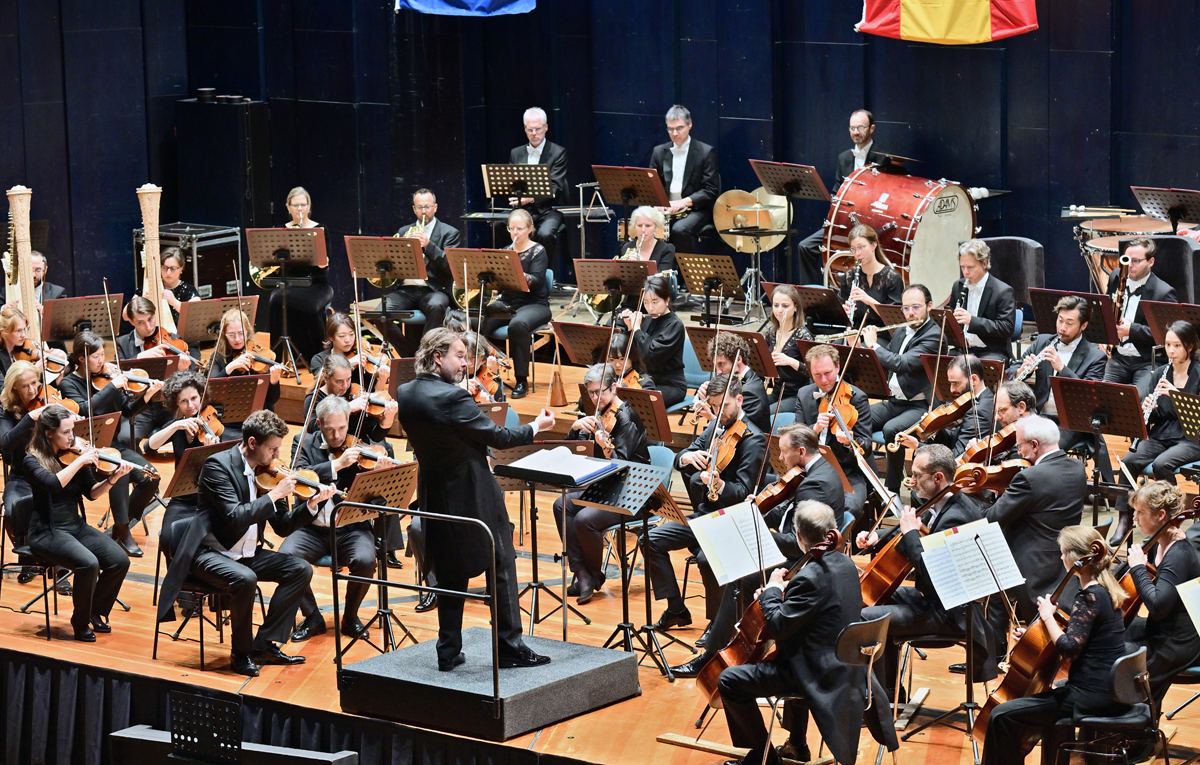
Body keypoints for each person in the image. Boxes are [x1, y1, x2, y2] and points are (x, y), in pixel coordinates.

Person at [395, 328, 557, 671]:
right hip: (473, 491)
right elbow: (499, 437)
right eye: (459, 355)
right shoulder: (453, 398)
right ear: (437, 357)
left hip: (433, 491)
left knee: (449, 568)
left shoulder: (405, 392)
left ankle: (448, 650)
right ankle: (510, 646)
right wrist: (537, 427)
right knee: (500, 561)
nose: (466, 363)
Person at [157, 410, 334, 677]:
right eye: (272, 449)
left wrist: (310, 505)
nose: (276, 456)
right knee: (245, 579)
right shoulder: (218, 466)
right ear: (252, 443)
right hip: (208, 553)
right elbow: (235, 517)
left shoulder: (269, 473)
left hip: (245, 553)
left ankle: (263, 645)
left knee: (300, 569)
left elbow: (283, 526)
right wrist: (274, 495)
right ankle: (240, 653)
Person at [670, 422, 844, 677]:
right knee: (723, 564)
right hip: (803, 549)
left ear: (802, 451)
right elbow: (787, 515)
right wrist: (755, 513)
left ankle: (714, 655)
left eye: (784, 452)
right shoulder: (816, 470)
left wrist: (754, 535)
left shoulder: (814, 484)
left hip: (805, 560)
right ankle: (733, 641)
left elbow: (798, 542)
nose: (781, 458)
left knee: (740, 576)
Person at [715, 500, 872, 765]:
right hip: (845, 665)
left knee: (729, 680)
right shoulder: (846, 563)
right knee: (790, 650)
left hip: (815, 673)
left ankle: (761, 757)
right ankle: (797, 744)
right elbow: (812, 610)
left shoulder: (809, 576)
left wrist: (774, 591)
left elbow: (778, 626)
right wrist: (774, 598)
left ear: (799, 536)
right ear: (833, 530)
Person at [980, 526, 1129, 765]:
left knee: (1001, 715)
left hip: (1090, 694)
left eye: (1063, 553)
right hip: (1107, 687)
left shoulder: (1089, 597)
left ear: (1074, 558)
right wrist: (1034, 637)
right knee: (1030, 707)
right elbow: (1082, 638)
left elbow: (1069, 649)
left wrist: (1048, 616)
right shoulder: (1106, 589)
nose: (1061, 558)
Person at [858, 445, 996, 693]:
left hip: (951, 612)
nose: (911, 481)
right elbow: (922, 536)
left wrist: (910, 531)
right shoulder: (944, 504)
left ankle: (878, 700)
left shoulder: (957, 516)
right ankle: (889, 694)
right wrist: (877, 536)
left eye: (917, 474)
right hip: (935, 600)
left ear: (938, 477)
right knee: (870, 600)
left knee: (870, 618)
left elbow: (931, 572)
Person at [645, 374, 767, 632]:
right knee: (650, 540)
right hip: (704, 516)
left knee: (706, 559)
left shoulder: (753, 439)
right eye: (713, 406)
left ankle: (717, 624)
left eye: (723, 406)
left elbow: (744, 491)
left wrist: (718, 484)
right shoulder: (715, 428)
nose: (717, 412)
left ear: (739, 399)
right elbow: (681, 458)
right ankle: (676, 608)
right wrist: (688, 458)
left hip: (731, 520)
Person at [283, 395, 389, 642]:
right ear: (319, 425)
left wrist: (382, 474)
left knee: (365, 559)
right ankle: (312, 618)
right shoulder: (303, 443)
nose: (337, 435)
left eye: (342, 428)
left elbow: (376, 498)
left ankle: (350, 618)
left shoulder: (359, 449)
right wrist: (336, 465)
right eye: (330, 429)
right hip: (311, 529)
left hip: (351, 528)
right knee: (286, 558)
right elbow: (299, 477)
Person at [23, 404, 131, 641]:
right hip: (46, 530)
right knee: (88, 563)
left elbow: (91, 493)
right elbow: (52, 484)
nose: (72, 437)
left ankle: (95, 612)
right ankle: (79, 622)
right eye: (66, 432)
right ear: (48, 433)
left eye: (73, 430)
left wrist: (113, 479)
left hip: (74, 525)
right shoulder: (32, 460)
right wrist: (80, 462)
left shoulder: (75, 455)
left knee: (119, 560)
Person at [58, 330, 163, 557]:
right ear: (82, 358)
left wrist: (148, 395)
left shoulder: (107, 378)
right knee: (121, 469)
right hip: (84, 452)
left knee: (151, 478)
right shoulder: (68, 384)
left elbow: (126, 411)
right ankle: (124, 531)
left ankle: (119, 525)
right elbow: (84, 410)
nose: (102, 361)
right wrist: (112, 386)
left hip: (113, 444)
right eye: (96, 356)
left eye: (102, 355)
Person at [552, 363, 650, 604]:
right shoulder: (596, 413)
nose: (595, 398)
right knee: (560, 505)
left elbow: (621, 465)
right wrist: (575, 430)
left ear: (614, 388)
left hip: (632, 490)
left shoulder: (627, 417)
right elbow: (574, 453)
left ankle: (593, 575)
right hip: (604, 488)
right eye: (591, 393)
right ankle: (582, 573)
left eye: (600, 392)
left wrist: (605, 445)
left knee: (585, 519)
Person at [983, 416, 1088, 625]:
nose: (1019, 452)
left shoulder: (1030, 478)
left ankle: (996, 652)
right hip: (1062, 562)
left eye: (1020, 446)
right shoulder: (1077, 468)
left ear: (1034, 445)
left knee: (988, 593)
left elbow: (991, 518)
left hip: (1032, 569)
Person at [1111, 320, 1200, 543]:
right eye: (1168, 345)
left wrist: (1176, 396)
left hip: (1190, 437)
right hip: (1162, 434)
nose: (1171, 351)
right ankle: (1125, 518)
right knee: (1129, 461)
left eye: (1177, 346)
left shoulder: (1199, 374)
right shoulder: (1161, 372)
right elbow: (1156, 418)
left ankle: (1170, 519)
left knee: (1162, 464)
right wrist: (1147, 410)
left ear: (1189, 346)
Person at [1010, 294, 1110, 476]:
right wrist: (1021, 371)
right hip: (1038, 415)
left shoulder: (1095, 357)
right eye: (1060, 320)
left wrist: (1062, 369)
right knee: (1008, 445)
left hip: (1069, 423)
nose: (1062, 328)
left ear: (1084, 326)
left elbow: (1088, 395)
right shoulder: (1042, 342)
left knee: (1041, 451)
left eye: (1069, 323)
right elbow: (1012, 371)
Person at [1122, 481, 1200, 710]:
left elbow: (1157, 607)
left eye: (1140, 512)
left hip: (1179, 642)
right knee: (1115, 633)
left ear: (1161, 515)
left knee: (1117, 657)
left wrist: (1138, 568)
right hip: (1167, 628)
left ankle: (1136, 723)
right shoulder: (1160, 540)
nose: (1134, 518)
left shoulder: (1178, 553)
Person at [794, 109, 894, 285]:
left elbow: (886, 197)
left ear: (871, 129)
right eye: (852, 128)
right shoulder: (844, 158)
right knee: (805, 247)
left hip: (870, 225)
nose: (856, 132)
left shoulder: (884, 158)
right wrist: (835, 201)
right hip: (844, 223)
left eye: (860, 128)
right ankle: (813, 302)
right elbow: (837, 190)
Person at [864, 284, 945, 492]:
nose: (910, 313)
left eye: (916, 307)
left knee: (893, 430)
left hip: (920, 405)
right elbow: (885, 363)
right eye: (906, 308)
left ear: (929, 306)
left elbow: (901, 364)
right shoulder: (901, 331)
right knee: (857, 418)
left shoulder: (935, 335)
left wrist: (873, 345)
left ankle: (891, 490)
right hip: (896, 402)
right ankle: (868, 481)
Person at [478, 209, 551, 399]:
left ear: (529, 229)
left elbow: (535, 281)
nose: (515, 233)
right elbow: (499, 287)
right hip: (508, 302)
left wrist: (514, 268)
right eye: (512, 229)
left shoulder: (538, 251)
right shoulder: (504, 251)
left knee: (518, 325)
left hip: (535, 303)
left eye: (519, 229)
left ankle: (521, 380)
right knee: (474, 321)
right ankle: (485, 371)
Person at [795, 344, 872, 520]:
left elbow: (866, 445)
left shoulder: (856, 398)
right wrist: (814, 430)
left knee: (849, 508)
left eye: (828, 373)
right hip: (811, 469)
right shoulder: (804, 394)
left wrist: (850, 442)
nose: (823, 380)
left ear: (838, 367)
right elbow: (795, 436)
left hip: (846, 471)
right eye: (817, 375)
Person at [146, 371, 219, 554]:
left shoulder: (214, 423)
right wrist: (176, 425)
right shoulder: (178, 427)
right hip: (182, 498)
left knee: (203, 541)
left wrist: (210, 452)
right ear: (176, 404)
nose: (191, 405)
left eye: (194, 398)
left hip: (210, 497)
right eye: (183, 401)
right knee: (168, 539)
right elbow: (150, 446)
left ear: (201, 395)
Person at [117, 296, 199, 445]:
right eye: (140, 323)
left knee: (190, 430)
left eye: (151, 319)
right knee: (125, 439)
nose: (148, 327)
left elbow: (191, 381)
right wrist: (141, 357)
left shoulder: (172, 339)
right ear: (131, 321)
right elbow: (119, 374)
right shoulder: (122, 343)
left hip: (169, 406)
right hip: (141, 406)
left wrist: (183, 370)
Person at [1105, 238, 1176, 400]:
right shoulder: (1116, 276)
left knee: (1138, 402)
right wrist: (1105, 334)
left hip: (1146, 362)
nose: (1129, 265)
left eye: (1136, 261)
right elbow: (1108, 310)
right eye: (1126, 259)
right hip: (1118, 357)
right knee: (1103, 398)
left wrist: (1131, 330)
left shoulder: (1163, 293)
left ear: (1151, 262)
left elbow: (1167, 336)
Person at [270, 186, 334, 363]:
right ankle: (276, 357)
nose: (299, 209)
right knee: (275, 299)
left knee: (310, 305)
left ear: (309, 206)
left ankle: (317, 356)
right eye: (296, 205)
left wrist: (317, 254)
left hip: (317, 284)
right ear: (288, 207)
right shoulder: (281, 231)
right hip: (290, 284)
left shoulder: (320, 229)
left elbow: (325, 265)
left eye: (303, 205)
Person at [388, 188, 460, 342]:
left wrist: (429, 246)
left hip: (433, 289)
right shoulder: (404, 231)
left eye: (427, 207)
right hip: (406, 290)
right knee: (377, 310)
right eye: (420, 207)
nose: (424, 211)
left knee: (436, 306)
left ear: (435, 207)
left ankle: (426, 352)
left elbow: (451, 267)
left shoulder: (449, 233)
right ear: (414, 209)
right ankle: (407, 353)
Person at [207, 308, 284, 443]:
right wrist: (230, 367)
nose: (237, 339)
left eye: (241, 333)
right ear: (224, 334)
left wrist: (274, 381)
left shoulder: (259, 356)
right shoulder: (218, 357)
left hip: (258, 419)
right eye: (231, 334)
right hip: (229, 420)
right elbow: (210, 388)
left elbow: (272, 400)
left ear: (247, 331)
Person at [649, 105, 718, 254]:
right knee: (642, 223)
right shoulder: (659, 152)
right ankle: (655, 274)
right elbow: (652, 186)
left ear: (690, 124)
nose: (674, 133)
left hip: (695, 209)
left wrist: (682, 202)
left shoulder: (705, 152)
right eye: (670, 129)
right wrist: (658, 203)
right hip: (666, 208)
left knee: (679, 230)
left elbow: (711, 190)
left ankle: (684, 274)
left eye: (679, 128)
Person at [898, 353, 994, 459]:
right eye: (950, 383)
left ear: (974, 380)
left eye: (956, 383)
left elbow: (957, 457)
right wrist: (936, 428)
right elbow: (954, 438)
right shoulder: (980, 399)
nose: (951, 390)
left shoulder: (979, 412)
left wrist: (917, 445)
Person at [507, 107, 568, 264]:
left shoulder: (558, 153)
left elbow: (555, 186)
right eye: (530, 129)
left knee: (545, 233)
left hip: (549, 209)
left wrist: (530, 199)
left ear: (546, 128)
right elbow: (511, 184)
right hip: (523, 210)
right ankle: (514, 270)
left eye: (538, 129)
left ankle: (543, 274)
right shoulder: (516, 153)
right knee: (501, 225)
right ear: (525, 129)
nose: (534, 133)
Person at [620, 275, 686, 407]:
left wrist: (637, 330)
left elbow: (651, 355)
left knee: (639, 403)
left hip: (670, 384)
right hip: (645, 380)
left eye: (655, 302)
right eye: (645, 302)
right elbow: (633, 354)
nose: (650, 308)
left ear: (667, 300)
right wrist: (629, 329)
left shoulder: (675, 325)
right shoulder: (649, 319)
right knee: (613, 395)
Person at [948, 239, 1017, 362]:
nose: (965, 272)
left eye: (970, 267)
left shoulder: (1002, 291)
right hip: (963, 349)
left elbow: (1006, 328)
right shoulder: (958, 286)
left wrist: (972, 321)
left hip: (991, 351)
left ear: (984, 264)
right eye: (962, 267)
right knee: (939, 364)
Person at [302, 354, 396, 442]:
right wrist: (347, 408)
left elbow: (375, 436)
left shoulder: (355, 391)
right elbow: (315, 429)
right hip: (327, 451)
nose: (345, 385)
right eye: (339, 381)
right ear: (326, 377)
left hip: (358, 448)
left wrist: (388, 419)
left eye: (348, 379)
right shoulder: (314, 398)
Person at [695, 333, 770, 434]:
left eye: (721, 364)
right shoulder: (729, 379)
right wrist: (705, 397)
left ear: (738, 359)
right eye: (716, 365)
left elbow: (738, 431)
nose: (718, 372)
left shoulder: (750, 391)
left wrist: (711, 417)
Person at [838, 224, 905, 330]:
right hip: (855, 332)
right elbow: (840, 314)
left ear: (874, 245)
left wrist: (869, 300)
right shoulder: (849, 277)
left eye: (861, 248)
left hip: (882, 333)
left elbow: (896, 320)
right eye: (853, 249)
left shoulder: (892, 278)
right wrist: (843, 311)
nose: (857, 254)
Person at [308, 312, 392, 394]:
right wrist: (348, 364)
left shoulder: (362, 359)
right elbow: (322, 386)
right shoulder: (319, 359)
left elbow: (374, 394)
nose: (348, 340)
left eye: (351, 334)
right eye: (342, 336)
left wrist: (382, 379)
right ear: (331, 337)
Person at [764, 285, 813, 414]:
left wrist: (790, 361)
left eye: (785, 306)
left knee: (766, 413)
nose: (779, 310)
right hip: (777, 392)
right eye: (776, 305)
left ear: (795, 307)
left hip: (797, 395)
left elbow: (813, 371)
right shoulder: (771, 333)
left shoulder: (803, 335)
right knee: (751, 407)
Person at [158, 247, 201, 326]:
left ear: (181, 268)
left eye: (173, 269)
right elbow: (127, 315)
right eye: (164, 268)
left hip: (180, 337)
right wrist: (142, 300)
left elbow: (195, 316)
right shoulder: (151, 288)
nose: (168, 273)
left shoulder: (189, 291)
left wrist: (174, 302)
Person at [0, 305, 42, 379]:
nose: (23, 335)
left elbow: (37, 388)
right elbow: (4, 388)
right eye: (18, 331)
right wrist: (33, 373)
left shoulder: (26, 351)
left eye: (24, 329)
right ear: (4, 332)